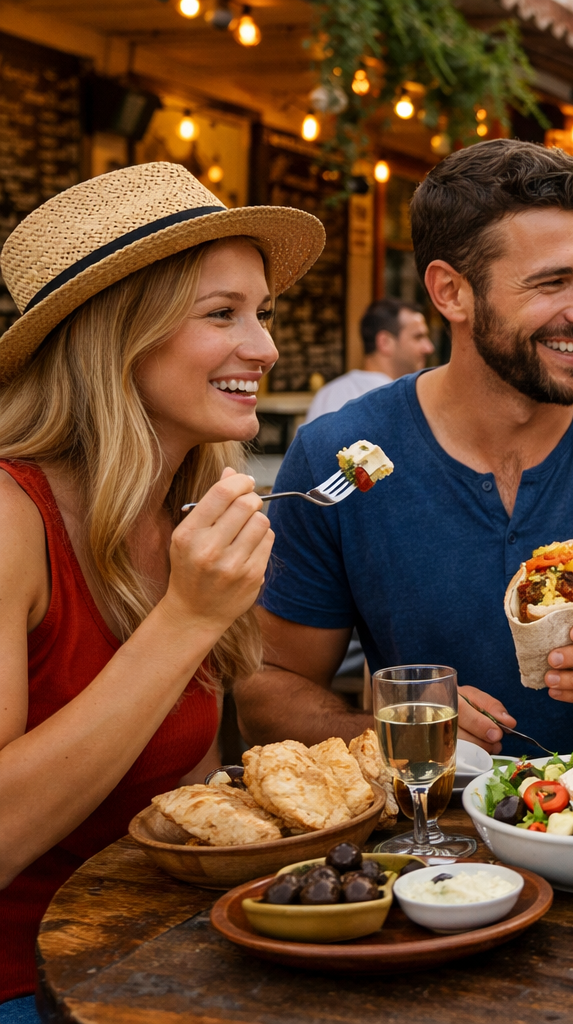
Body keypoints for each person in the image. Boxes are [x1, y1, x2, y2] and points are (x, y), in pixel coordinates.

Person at [235, 140, 573, 758]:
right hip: (431, 819)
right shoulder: (340, 457)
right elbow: (266, 693)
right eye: (553, 282)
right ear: (451, 292)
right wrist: (394, 728)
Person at [0, 163, 323, 1020]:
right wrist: (187, 619)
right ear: (119, 336)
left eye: (262, 314)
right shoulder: (9, 519)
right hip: (28, 985)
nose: (265, 349)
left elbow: (187, 794)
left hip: (165, 953)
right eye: (222, 314)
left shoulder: (186, 512)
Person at [305, 298, 434, 421]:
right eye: (418, 337)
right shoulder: (403, 403)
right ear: (385, 342)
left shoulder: (327, 395)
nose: (429, 348)